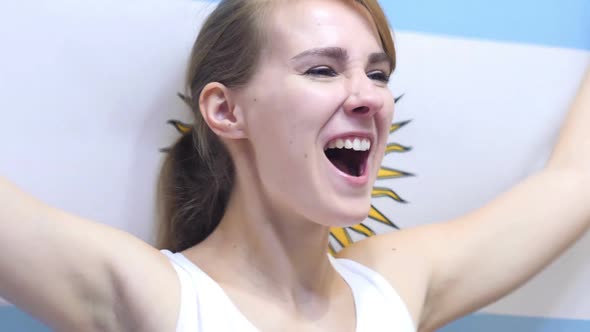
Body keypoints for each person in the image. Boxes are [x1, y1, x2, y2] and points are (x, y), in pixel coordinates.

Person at [1, 0, 589, 331]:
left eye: (378, 73)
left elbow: (575, 179)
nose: (368, 97)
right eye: (322, 70)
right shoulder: (159, 297)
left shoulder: (394, 285)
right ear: (226, 110)